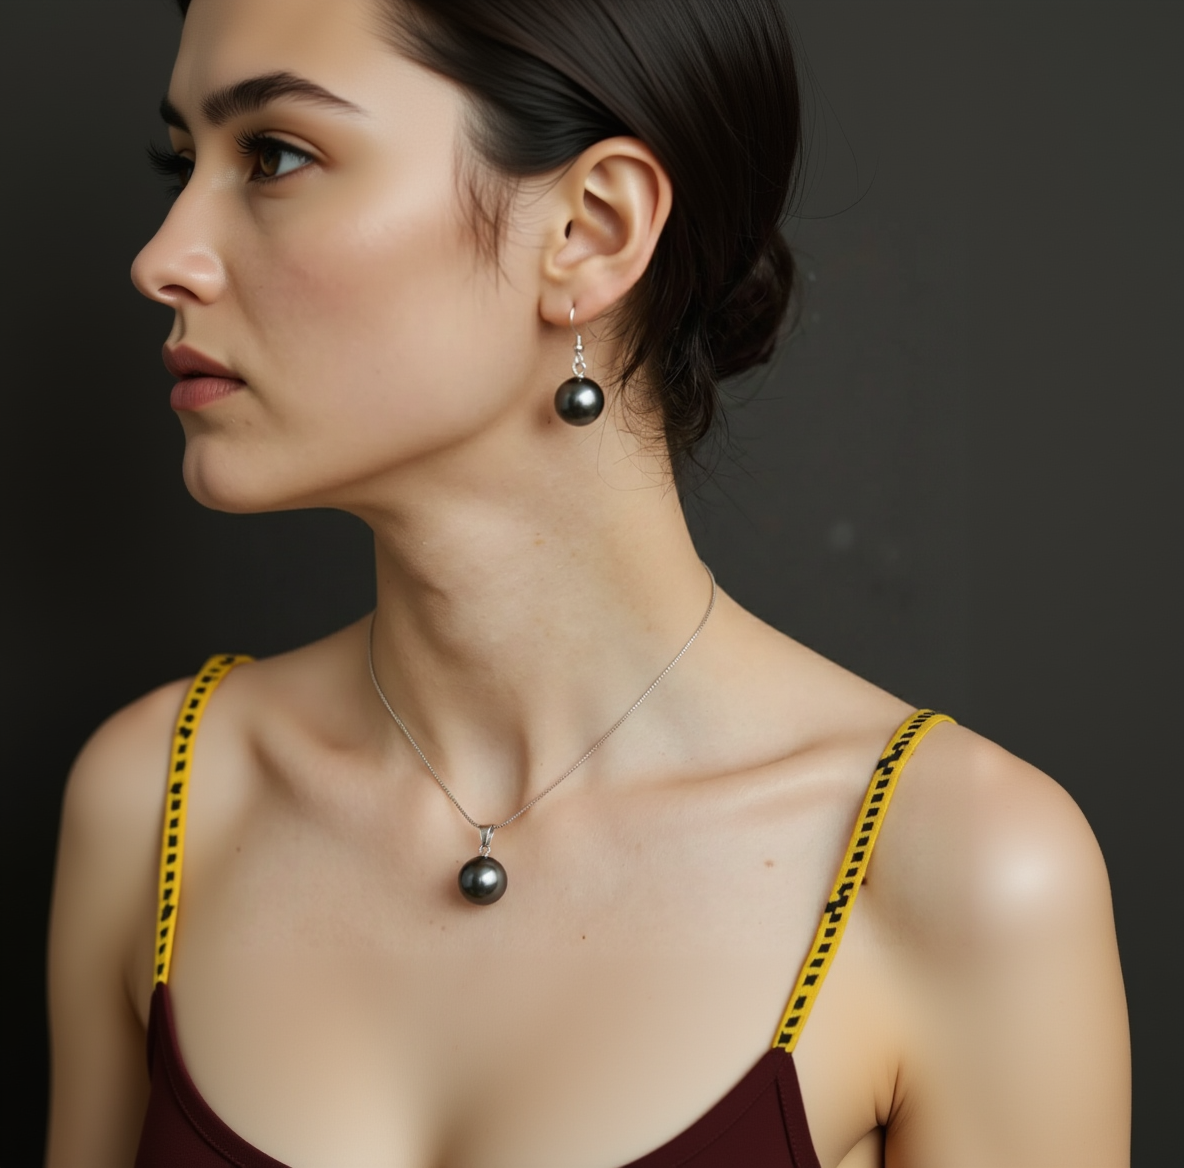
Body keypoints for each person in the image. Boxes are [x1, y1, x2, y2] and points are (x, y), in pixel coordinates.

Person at [45, 0, 1130, 1165]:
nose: (161, 256)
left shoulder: (959, 868)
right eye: (180, 161)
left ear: (589, 231)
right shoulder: (162, 799)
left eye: (274, 156)